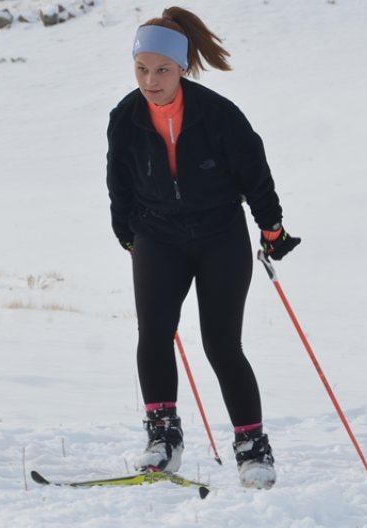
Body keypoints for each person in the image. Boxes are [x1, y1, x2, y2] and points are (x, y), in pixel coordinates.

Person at [106, 7, 300, 489]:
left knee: (220, 342)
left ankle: (253, 447)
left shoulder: (219, 115)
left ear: (182, 67)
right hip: (157, 235)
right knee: (153, 332)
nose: (150, 80)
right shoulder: (125, 118)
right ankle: (163, 437)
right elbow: (118, 183)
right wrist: (127, 233)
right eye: (141, 69)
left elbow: (256, 173)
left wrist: (271, 226)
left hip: (220, 236)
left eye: (162, 70)